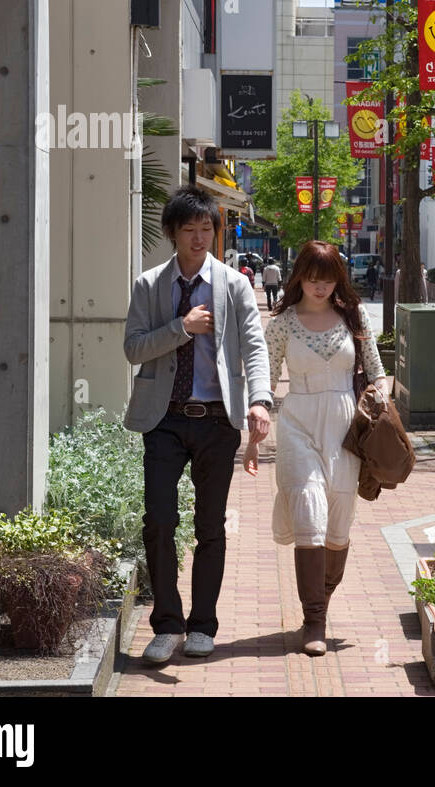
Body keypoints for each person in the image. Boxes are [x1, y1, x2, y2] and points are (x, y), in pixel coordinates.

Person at [122, 186, 273, 664]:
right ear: (173, 233)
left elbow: (254, 346)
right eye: (189, 229)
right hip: (163, 418)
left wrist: (260, 400)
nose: (199, 237)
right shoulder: (150, 285)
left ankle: (203, 625)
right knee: (159, 522)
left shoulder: (233, 284)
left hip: (215, 421)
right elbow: (133, 348)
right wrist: (181, 328)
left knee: (210, 526)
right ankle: (166, 625)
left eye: (207, 228)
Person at [244, 241, 387, 656]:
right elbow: (264, 382)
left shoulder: (353, 317)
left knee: (338, 523)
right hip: (299, 424)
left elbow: (377, 373)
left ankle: (321, 601)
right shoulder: (283, 324)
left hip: (346, 427)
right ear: (299, 277)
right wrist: (254, 437)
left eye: (328, 277)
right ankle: (314, 620)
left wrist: (381, 409)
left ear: (337, 279)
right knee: (309, 508)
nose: (320, 285)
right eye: (312, 276)